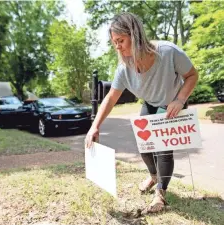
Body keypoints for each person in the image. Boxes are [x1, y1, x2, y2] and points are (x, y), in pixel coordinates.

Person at [85, 13, 198, 213]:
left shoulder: (168, 52)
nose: (117, 47)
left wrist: (180, 100)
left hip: (172, 102)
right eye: (114, 42)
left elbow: (192, 75)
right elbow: (111, 97)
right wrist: (95, 126)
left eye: (121, 40)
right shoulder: (124, 69)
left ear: (135, 35)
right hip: (151, 102)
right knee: (145, 145)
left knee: (163, 149)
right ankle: (154, 176)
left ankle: (160, 195)